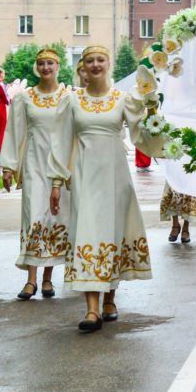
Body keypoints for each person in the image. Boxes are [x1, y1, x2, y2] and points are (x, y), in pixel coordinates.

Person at [48, 45, 163, 332]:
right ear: (83, 67)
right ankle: (91, 310)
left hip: (115, 177)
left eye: (100, 59)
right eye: (90, 61)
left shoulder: (122, 100)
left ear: (108, 63)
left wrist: (151, 106)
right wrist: (56, 182)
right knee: (87, 232)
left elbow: (141, 133)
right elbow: (61, 142)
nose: (95, 64)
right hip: (85, 177)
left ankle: (110, 298)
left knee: (114, 232)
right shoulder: (71, 102)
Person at [1, 49, 71, 300]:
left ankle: (48, 279)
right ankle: (30, 280)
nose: (45, 67)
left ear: (58, 66)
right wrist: (9, 166)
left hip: (59, 166)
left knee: (53, 218)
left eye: (50, 63)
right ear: (36, 67)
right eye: (41, 63)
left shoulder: (67, 97)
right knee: (33, 217)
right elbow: (14, 131)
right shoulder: (25, 98)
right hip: (33, 164)